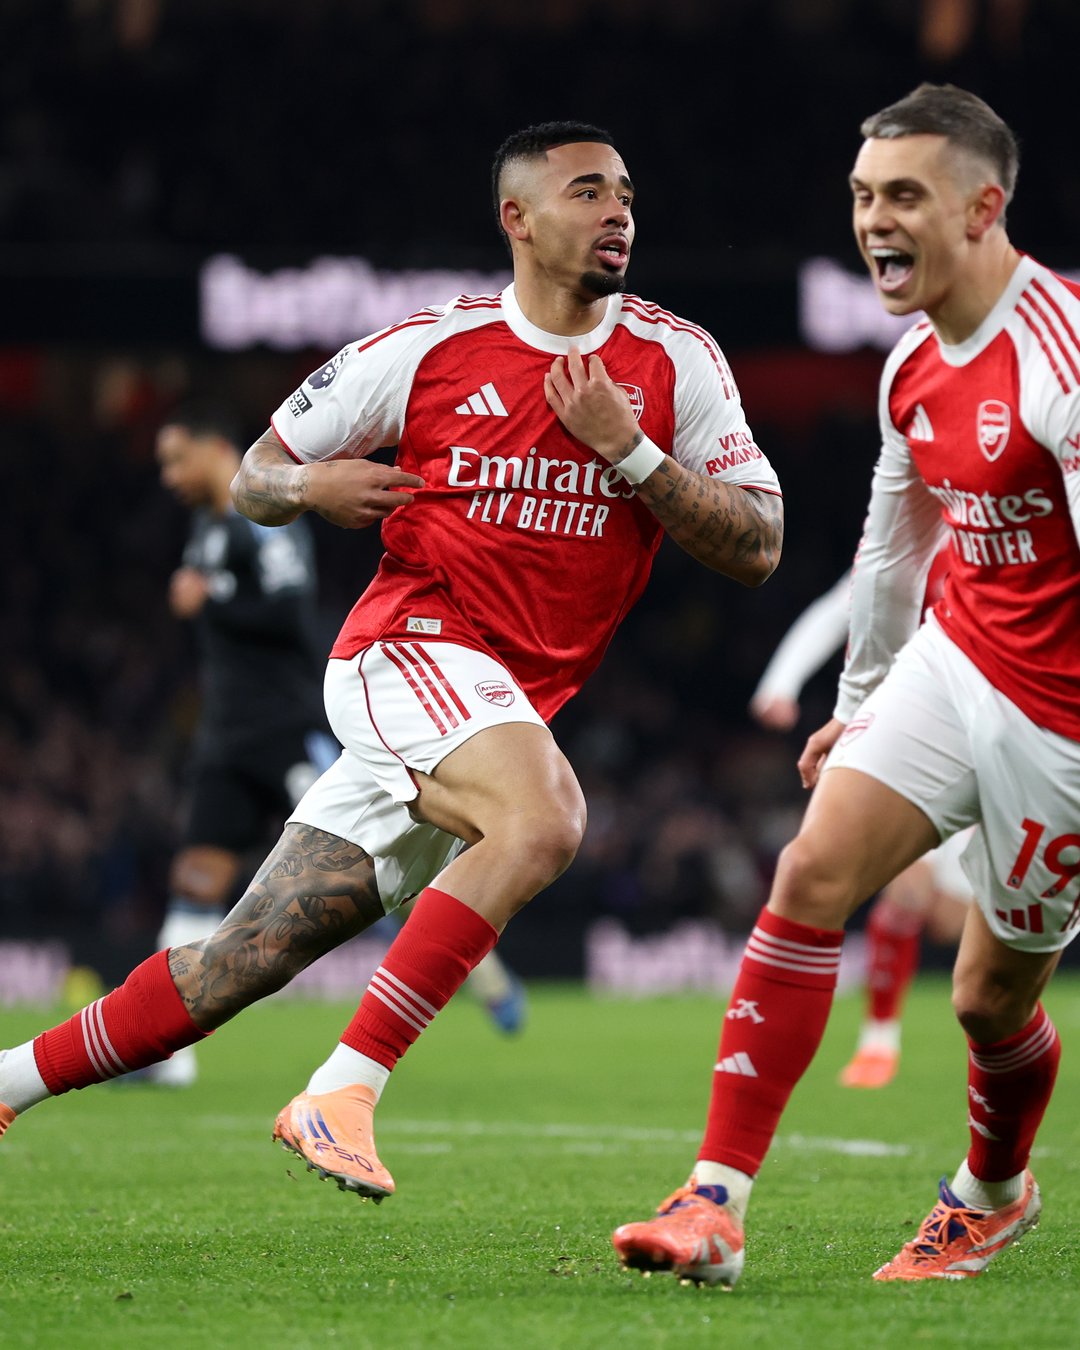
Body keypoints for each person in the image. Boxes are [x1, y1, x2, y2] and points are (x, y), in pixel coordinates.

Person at [0, 123, 783, 1204]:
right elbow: (258, 474)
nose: (619, 212)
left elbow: (759, 545)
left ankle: (10, 1079)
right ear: (517, 218)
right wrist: (312, 488)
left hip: (499, 709)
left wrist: (631, 449)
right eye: (588, 192)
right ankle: (343, 1089)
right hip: (406, 651)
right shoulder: (427, 348)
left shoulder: (676, 361)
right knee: (546, 818)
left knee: (240, 962)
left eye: (626, 194)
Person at [613, 83, 1080, 1287]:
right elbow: (891, 549)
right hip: (960, 659)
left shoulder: (1060, 357)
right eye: (865, 196)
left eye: (905, 196)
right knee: (811, 872)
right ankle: (713, 1201)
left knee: (987, 1001)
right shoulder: (913, 363)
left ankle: (992, 1194)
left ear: (984, 208)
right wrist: (861, 703)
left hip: (1064, 727)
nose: (875, 221)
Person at [149, 403, 341, 1085]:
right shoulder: (205, 526)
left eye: (177, 459)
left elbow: (292, 615)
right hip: (226, 738)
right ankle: (164, 1052)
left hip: (283, 731)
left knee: (357, 864)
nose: (170, 475)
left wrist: (214, 601)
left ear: (214, 448)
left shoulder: (260, 515)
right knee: (194, 880)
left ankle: (464, 959)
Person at [749, 554, 971, 1089]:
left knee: (953, 925)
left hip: (996, 750)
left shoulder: (1015, 546)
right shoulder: (909, 547)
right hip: (916, 745)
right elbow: (834, 612)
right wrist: (779, 685)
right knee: (905, 896)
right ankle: (878, 1042)